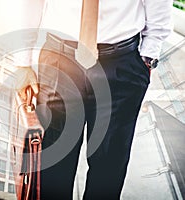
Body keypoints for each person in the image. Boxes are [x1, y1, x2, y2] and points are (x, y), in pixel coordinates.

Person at [11, 0, 172, 199]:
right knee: (52, 169)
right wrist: (22, 62)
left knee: (108, 171)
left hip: (120, 65)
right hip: (59, 61)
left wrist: (148, 57)